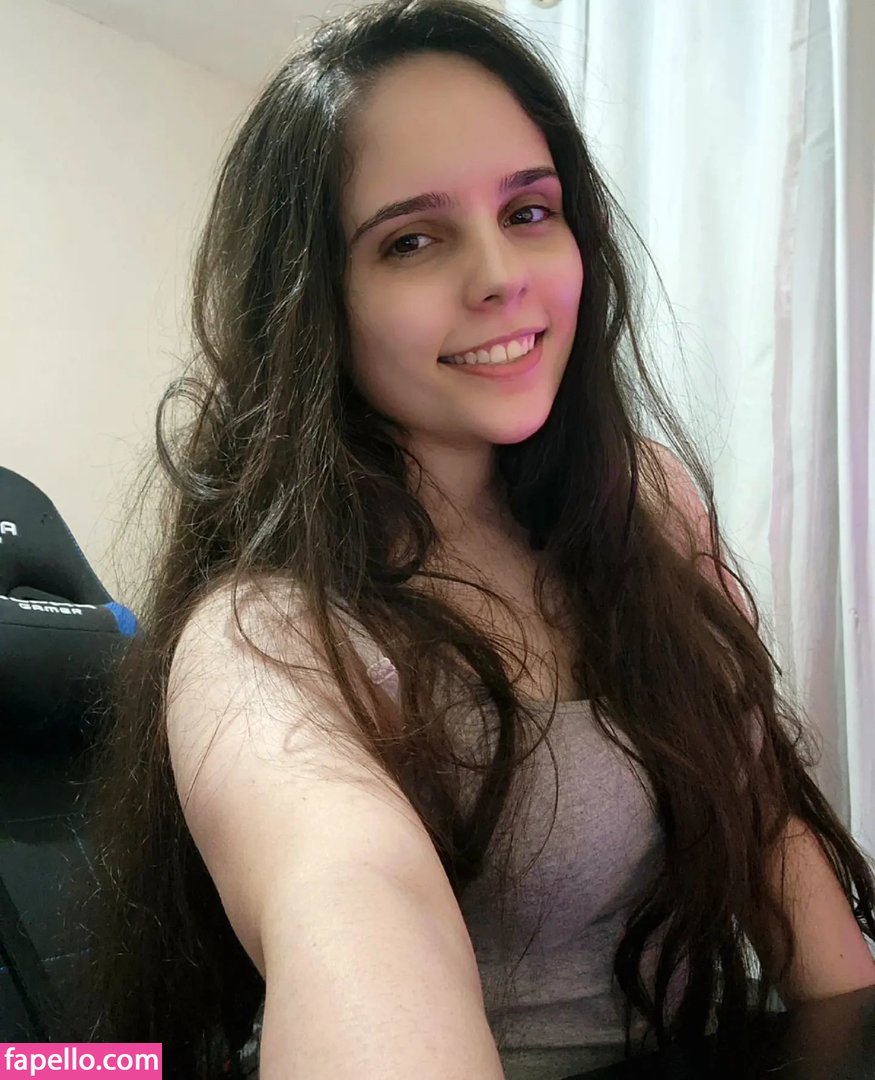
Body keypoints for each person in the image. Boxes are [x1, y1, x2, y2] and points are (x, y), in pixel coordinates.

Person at [69, 1, 875, 1077]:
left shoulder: (646, 498)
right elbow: (348, 890)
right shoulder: (265, 634)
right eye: (411, 239)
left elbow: (765, 815)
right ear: (314, 302)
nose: (500, 274)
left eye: (529, 210)